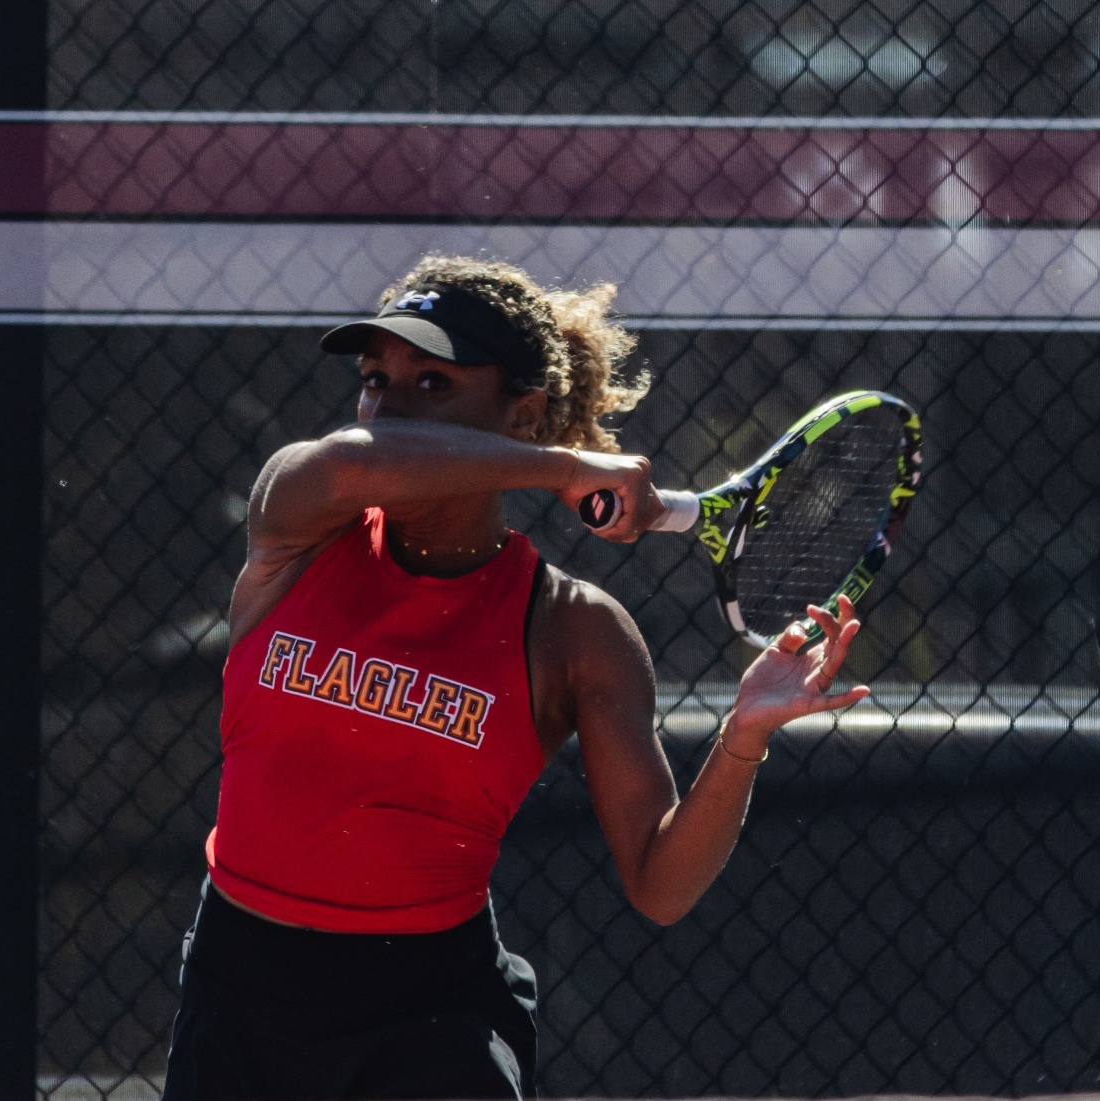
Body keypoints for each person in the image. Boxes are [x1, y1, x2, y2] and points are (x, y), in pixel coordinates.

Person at [163, 255, 873, 1100]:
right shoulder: (301, 516)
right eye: (374, 378)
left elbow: (661, 881)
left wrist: (741, 738)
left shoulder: (576, 633)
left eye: (431, 381)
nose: (386, 405)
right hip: (241, 990)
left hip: (429, 1020)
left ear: (524, 414)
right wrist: (565, 470)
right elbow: (362, 458)